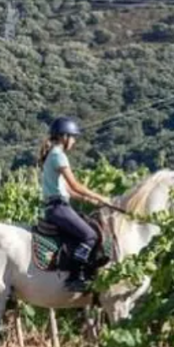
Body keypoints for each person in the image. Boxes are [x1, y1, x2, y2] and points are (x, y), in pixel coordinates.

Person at [39, 117, 117, 291]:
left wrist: (89, 199)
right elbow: (75, 185)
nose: (74, 141)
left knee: (89, 227)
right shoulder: (59, 156)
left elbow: (68, 190)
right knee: (90, 235)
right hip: (58, 208)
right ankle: (76, 275)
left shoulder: (53, 155)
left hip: (59, 205)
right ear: (64, 137)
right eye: (72, 137)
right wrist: (101, 197)